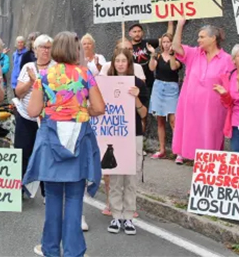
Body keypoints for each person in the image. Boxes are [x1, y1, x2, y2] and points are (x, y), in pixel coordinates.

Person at [24, 32, 104, 257]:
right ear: (76, 50)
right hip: (78, 138)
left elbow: (32, 111)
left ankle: (50, 249)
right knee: (75, 199)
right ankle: (73, 251)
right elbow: (99, 108)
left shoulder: (44, 75)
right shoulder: (85, 74)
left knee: (53, 198)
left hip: (51, 138)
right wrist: (79, 110)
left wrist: (55, 109)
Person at [171, 19, 234, 162]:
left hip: (213, 108)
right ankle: (198, 169)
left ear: (213, 38)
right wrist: (180, 25)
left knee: (210, 138)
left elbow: (231, 84)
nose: (198, 40)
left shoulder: (227, 59)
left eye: (202, 37)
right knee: (192, 136)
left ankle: (209, 169)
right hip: (191, 107)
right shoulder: (194, 53)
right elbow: (175, 46)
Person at [103, 48, 148, 235]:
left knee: (131, 177)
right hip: (114, 134)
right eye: (117, 61)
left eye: (124, 61)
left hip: (134, 134)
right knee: (115, 178)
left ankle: (129, 216)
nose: (120, 64)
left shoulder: (138, 83)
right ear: (113, 63)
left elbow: (144, 113)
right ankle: (116, 216)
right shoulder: (105, 83)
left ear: (129, 64)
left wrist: (136, 97)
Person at [14, 34, 54, 198]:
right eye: (42, 47)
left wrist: (38, 81)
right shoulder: (28, 67)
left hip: (47, 119)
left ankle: (47, 192)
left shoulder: (56, 68)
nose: (45, 50)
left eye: (48, 47)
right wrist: (31, 81)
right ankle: (20, 189)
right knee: (22, 152)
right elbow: (18, 92)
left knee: (46, 155)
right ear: (35, 50)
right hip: (26, 117)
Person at [147, 33, 182, 162]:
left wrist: (172, 55)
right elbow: (151, 68)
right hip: (158, 87)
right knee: (160, 121)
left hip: (171, 89)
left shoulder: (178, 57)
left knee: (174, 121)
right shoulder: (158, 56)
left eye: (169, 42)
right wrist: (152, 55)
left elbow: (173, 67)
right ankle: (162, 150)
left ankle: (178, 152)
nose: (166, 44)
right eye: (164, 42)